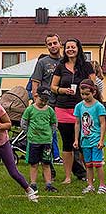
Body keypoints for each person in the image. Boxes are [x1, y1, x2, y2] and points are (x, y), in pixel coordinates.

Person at [51, 38, 96, 184]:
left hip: (83, 109)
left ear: (78, 49)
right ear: (65, 49)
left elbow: (93, 85)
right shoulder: (60, 66)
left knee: (85, 143)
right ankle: (68, 177)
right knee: (67, 143)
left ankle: (89, 176)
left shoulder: (87, 66)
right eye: (68, 47)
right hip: (63, 108)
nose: (70, 49)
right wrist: (62, 90)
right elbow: (53, 87)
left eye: (73, 47)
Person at [31, 34, 63, 171]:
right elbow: (35, 82)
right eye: (49, 44)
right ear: (47, 46)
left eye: (55, 43)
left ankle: (77, 168)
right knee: (49, 134)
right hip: (47, 103)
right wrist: (35, 98)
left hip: (63, 102)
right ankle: (50, 163)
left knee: (69, 134)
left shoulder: (65, 61)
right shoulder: (42, 62)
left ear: (60, 43)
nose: (53, 46)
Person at [21, 87, 58, 193]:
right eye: (41, 99)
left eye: (46, 100)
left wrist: (50, 134)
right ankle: (33, 183)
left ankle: (49, 184)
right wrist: (28, 133)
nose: (43, 102)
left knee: (46, 163)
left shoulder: (50, 110)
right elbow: (24, 122)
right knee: (34, 163)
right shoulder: (30, 110)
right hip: (34, 141)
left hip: (46, 141)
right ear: (36, 96)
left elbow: (54, 123)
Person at [73, 79, 106, 194]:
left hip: (96, 139)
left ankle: (102, 185)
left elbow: (102, 124)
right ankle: (90, 185)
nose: (84, 96)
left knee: (97, 164)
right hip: (84, 140)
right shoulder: (79, 106)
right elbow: (77, 123)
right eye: (82, 94)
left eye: (87, 94)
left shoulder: (99, 106)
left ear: (94, 92)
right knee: (88, 164)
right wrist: (76, 139)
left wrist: (101, 140)